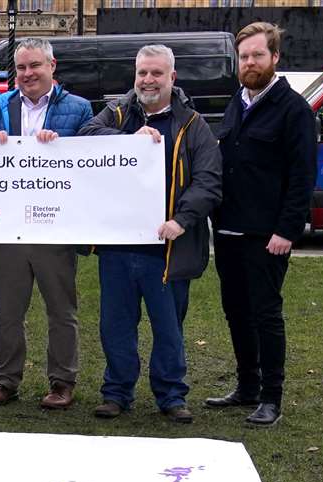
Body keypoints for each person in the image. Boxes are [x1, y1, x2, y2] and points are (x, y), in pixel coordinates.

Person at [79, 45, 220, 424]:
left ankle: (171, 396)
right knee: (115, 325)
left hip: (167, 248)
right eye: (142, 73)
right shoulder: (119, 113)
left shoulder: (192, 124)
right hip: (118, 247)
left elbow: (209, 180)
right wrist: (125, 137)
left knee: (168, 329)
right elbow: (86, 135)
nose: (148, 80)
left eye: (156, 73)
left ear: (172, 78)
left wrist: (182, 219)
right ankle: (116, 393)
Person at [203, 22, 317, 428]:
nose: (249, 63)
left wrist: (287, 230)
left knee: (265, 314)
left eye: (257, 55)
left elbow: (303, 177)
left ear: (275, 58)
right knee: (236, 311)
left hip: (267, 236)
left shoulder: (294, 110)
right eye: (244, 56)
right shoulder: (238, 102)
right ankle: (246, 386)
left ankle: (272, 396)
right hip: (230, 230)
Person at [0, 37, 93, 411]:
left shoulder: (79, 108)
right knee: (6, 311)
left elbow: (93, 157)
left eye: (35, 66)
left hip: (54, 227)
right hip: (7, 225)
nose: (28, 74)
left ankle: (62, 382)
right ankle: (6, 381)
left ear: (52, 66)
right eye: (22, 67)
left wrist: (61, 147)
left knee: (61, 310)